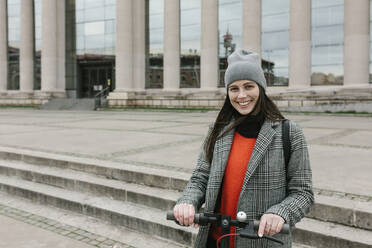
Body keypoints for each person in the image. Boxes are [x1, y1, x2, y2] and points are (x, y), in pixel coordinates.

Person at [173, 49, 314, 248]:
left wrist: (281, 212)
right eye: (234, 88)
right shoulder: (218, 131)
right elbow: (200, 177)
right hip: (216, 241)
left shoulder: (289, 132)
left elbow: (303, 192)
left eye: (249, 86)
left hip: (263, 243)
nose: (241, 95)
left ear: (261, 88)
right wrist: (187, 201)